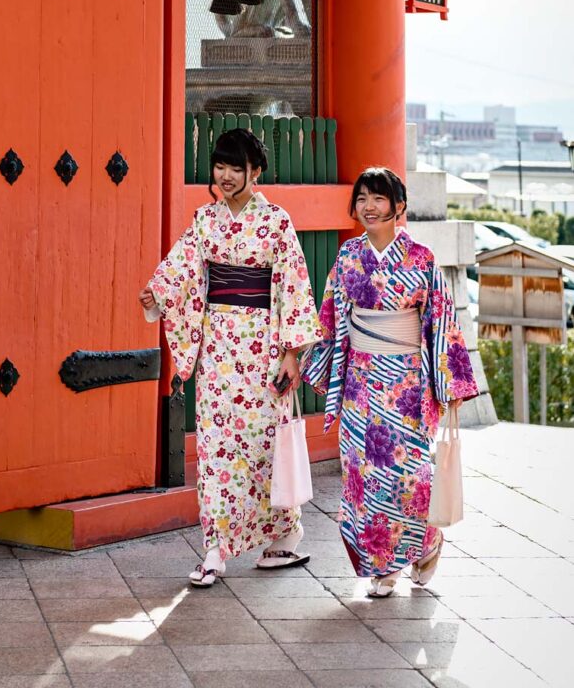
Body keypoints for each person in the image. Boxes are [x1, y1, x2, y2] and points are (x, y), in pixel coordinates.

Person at [139, 128, 322, 587]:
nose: (224, 175)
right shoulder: (205, 220)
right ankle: (215, 547)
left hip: (263, 345)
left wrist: (292, 353)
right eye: (219, 166)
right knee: (217, 448)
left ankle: (284, 532)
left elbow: (295, 287)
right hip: (219, 346)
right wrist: (158, 293)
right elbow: (182, 265)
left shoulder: (276, 222)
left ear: (255, 171)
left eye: (235, 167)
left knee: (264, 445)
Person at [301, 166, 478, 597]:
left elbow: (441, 323)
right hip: (360, 385)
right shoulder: (347, 257)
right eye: (362, 198)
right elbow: (331, 319)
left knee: (409, 475)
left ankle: (427, 543)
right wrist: (310, 362)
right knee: (365, 476)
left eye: (379, 198)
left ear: (399, 206)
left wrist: (449, 385)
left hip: (407, 387)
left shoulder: (421, 259)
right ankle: (385, 565)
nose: (369, 207)